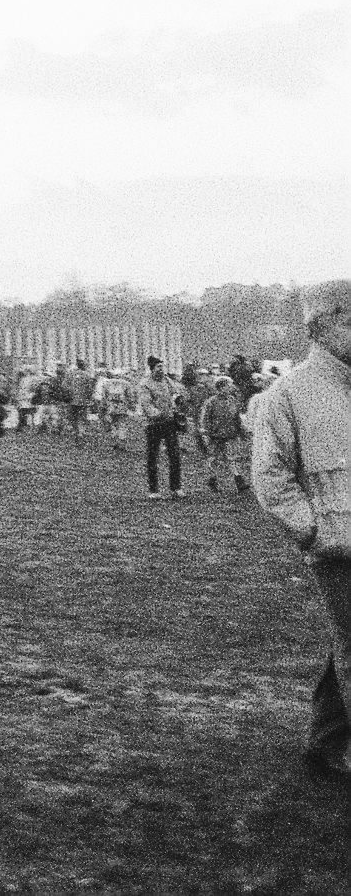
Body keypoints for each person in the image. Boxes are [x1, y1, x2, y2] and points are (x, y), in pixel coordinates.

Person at [251, 280, 351, 783]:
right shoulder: (286, 395)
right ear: (322, 326)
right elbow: (270, 477)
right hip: (339, 549)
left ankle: (327, 740)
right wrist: (313, 532)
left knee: (347, 642)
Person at [140, 356, 187, 500]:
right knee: (152, 457)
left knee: (174, 456)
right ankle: (154, 490)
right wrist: (158, 413)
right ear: (152, 368)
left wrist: (179, 401)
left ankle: (176, 488)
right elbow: (146, 405)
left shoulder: (167, 380)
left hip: (169, 423)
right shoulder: (145, 384)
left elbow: (176, 393)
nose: (161, 369)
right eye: (158, 367)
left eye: (162, 366)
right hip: (153, 425)